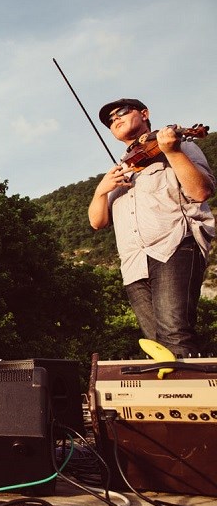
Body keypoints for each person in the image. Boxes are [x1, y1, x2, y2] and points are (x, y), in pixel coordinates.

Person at [88, 98, 215, 357]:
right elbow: (97, 222)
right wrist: (101, 191)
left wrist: (173, 151)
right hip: (134, 262)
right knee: (158, 345)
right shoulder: (122, 170)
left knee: (175, 334)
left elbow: (200, 191)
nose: (115, 120)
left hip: (174, 246)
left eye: (121, 113)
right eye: (110, 121)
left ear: (144, 114)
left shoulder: (180, 145)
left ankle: (189, 394)